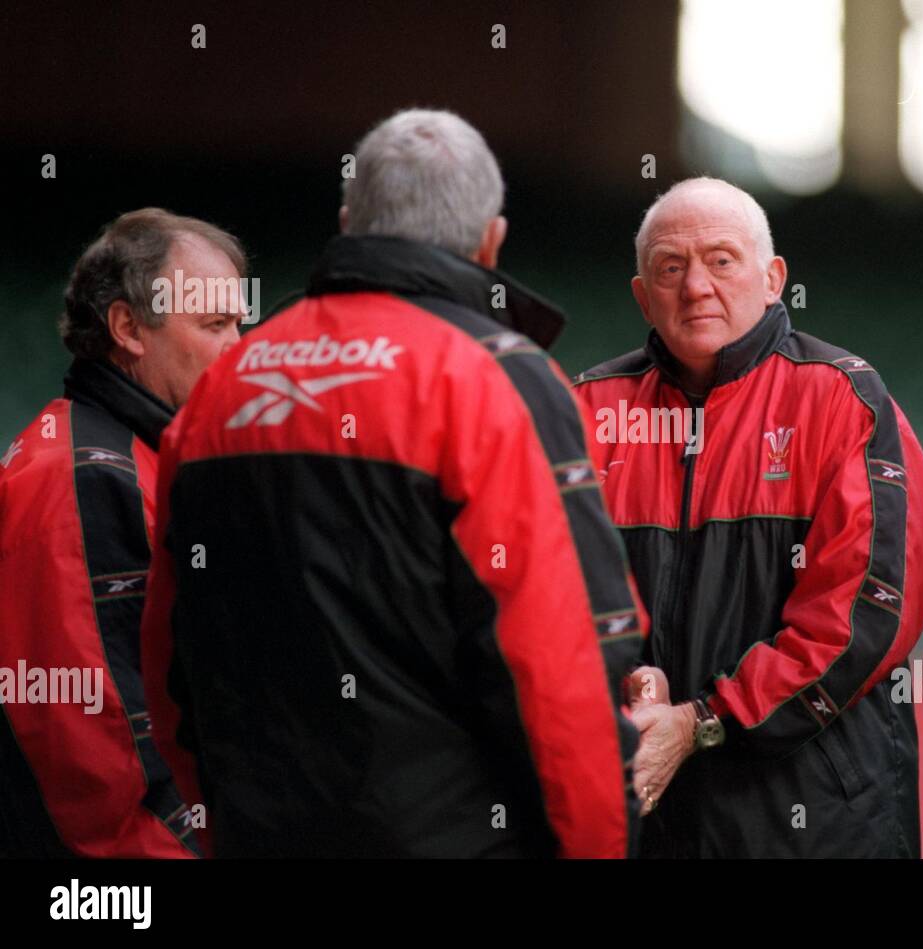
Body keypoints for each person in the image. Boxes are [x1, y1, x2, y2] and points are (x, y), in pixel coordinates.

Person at [139, 109, 647, 858]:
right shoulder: (502, 379)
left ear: (349, 221)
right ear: (490, 241)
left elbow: (170, 660)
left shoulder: (221, 390)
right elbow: (560, 671)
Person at [572, 177, 923, 857]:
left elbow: (862, 617)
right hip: (644, 817)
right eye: (670, 268)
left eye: (721, 260)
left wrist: (702, 720)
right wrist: (627, 678)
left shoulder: (846, 399)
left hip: (818, 822)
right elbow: (553, 598)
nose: (695, 287)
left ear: (774, 280)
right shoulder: (591, 407)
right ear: (641, 295)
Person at [0, 208, 246, 856]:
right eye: (215, 323)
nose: (239, 347)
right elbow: (97, 768)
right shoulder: (81, 479)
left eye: (240, 322)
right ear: (128, 328)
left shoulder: (132, 458)